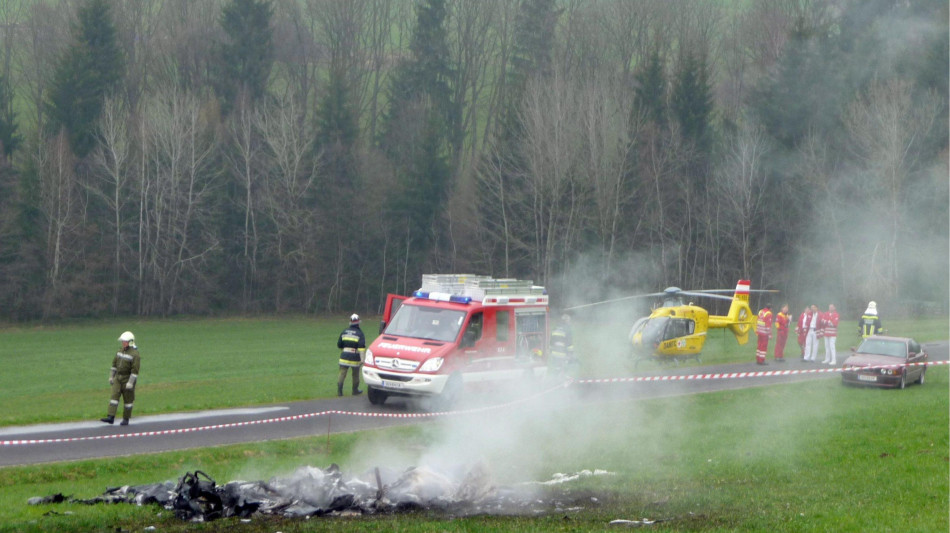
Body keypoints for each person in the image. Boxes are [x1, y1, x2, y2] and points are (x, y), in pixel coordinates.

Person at [100, 331, 140, 426]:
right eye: (122, 341)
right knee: (114, 396)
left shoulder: (135, 354)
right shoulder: (119, 351)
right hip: (118, 377)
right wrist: (111, 376)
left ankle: (126, 419)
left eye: (125, 341)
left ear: (130, 342)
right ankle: (111, 417)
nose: (123, 343)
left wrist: (130, 382)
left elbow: (135, 371)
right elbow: (114, 365)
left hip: (127, 378)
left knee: (128, 400)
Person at [336, 314, 366, 396]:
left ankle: (339, 391)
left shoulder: (344, 331)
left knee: (342, 373)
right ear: (358, 323)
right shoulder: (360, 333)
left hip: (344, 356)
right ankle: (355, 390)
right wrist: (362, 359)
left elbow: (339, 345)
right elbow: (361, 348)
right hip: (355, 357)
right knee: (355, 374)